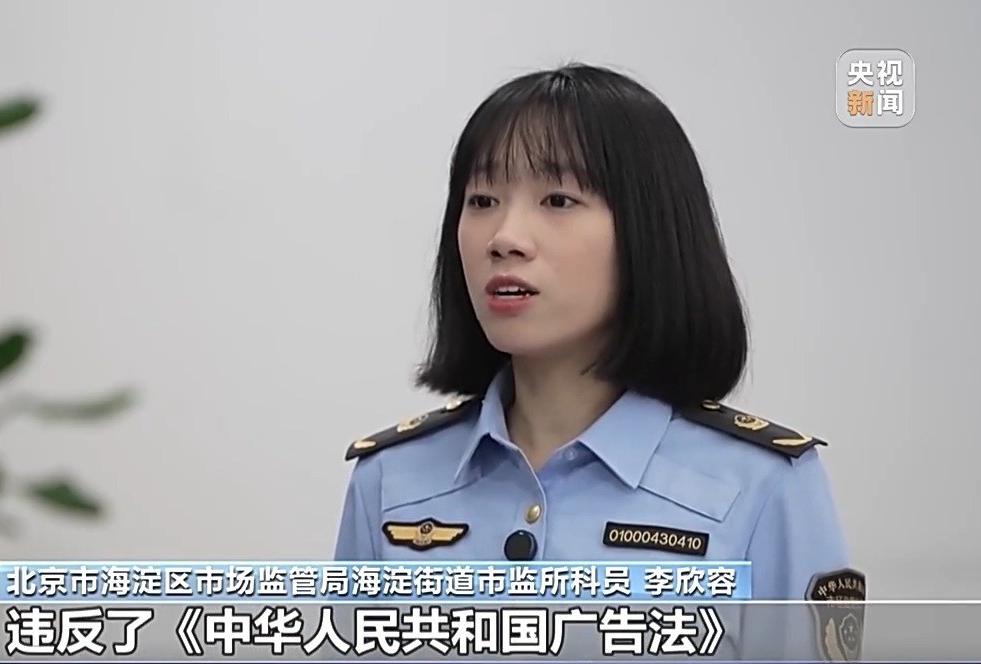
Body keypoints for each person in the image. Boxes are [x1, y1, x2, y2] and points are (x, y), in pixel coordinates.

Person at [332, 63, 864, 661]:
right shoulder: (389, 482)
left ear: (648, 231)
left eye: (558, 200)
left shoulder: (762, 487)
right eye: (481, 200)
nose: (504, 237)